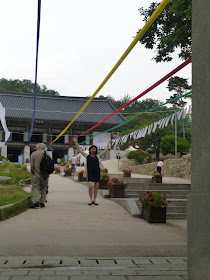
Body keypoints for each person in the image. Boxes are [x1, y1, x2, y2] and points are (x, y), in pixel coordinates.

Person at [73, 138, 111, 206]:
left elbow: (105, 151)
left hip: (97, 172)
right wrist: (76, 143)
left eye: (94, 149)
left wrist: (108, 145)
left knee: (96, 187)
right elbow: (79, 150)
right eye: (92, 149)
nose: (93, 150)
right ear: (90, 150)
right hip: (89, 172)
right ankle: (90, 199)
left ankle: (94, 200)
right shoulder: (87, 155)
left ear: (96, 150)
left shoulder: (98, 156)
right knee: (90, 187)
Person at [30, 143, 49, 209]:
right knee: (44, 187)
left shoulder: (34, 154)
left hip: (37, 173)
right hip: (46, 174)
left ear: (39, 147)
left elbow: (32, 165)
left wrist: (32, 171)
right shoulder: (47, 154)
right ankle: (42, 202)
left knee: (36, 186)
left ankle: (36, 201)